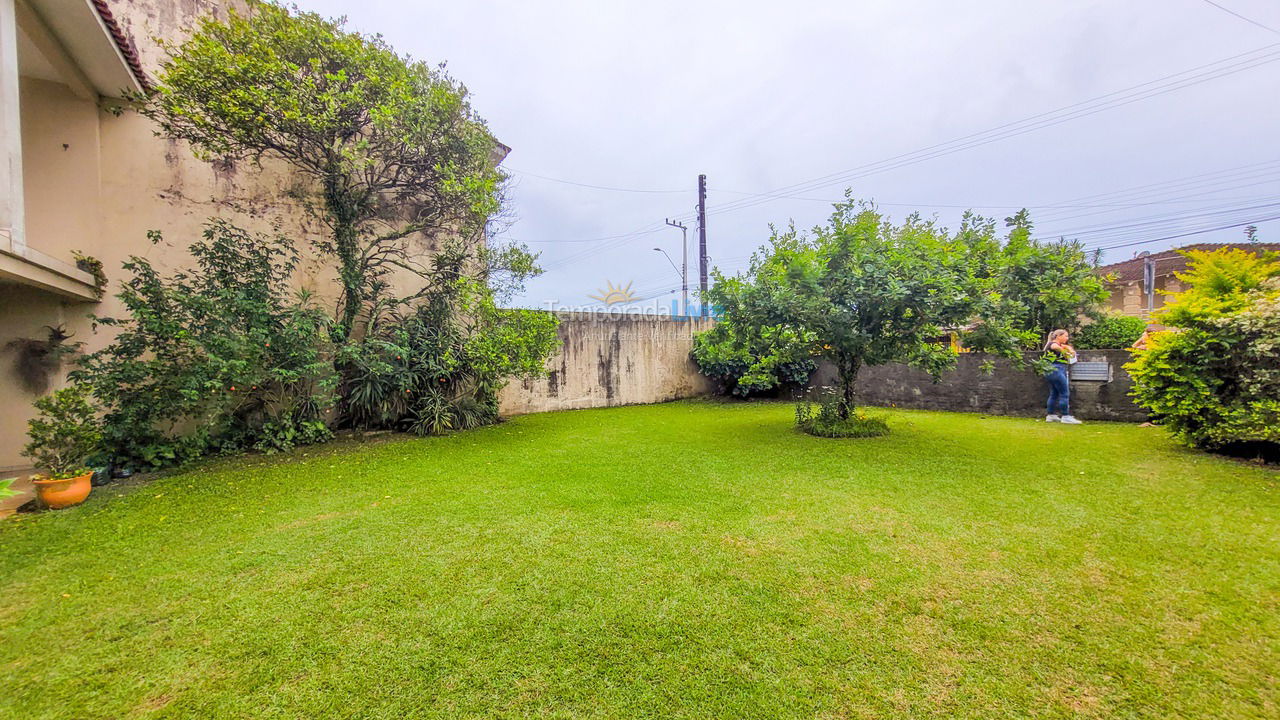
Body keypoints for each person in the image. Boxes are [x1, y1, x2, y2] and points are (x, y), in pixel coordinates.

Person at [1043, 329, 1082, 424]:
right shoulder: (1052, 344)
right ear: (1058, 336)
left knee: (1054, 393)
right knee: (1065, 393)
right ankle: (1065, 416)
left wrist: (1068, 349)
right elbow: (1055, 347)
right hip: (1056, 370)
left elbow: (1070, 351)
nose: (1067, 338)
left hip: (1051, 371)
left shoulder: (1059, 345)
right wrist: (1067, 351)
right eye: (1065, 336)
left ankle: (1050, 415)